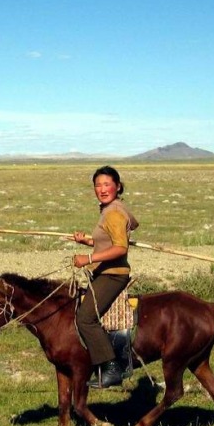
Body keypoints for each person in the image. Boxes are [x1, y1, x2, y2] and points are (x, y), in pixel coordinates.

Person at [71, 165, 139, 388]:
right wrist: (88, 241)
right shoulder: (110, 210)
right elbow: (107, 241)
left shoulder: (114, 213)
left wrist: (88, 258)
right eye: (98, 185)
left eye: (107, 184)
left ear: (118, 186)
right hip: (106, 271)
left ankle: (111, 367)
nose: (102, 189)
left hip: (113, 274)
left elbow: (120, 248)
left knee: (85, 317)